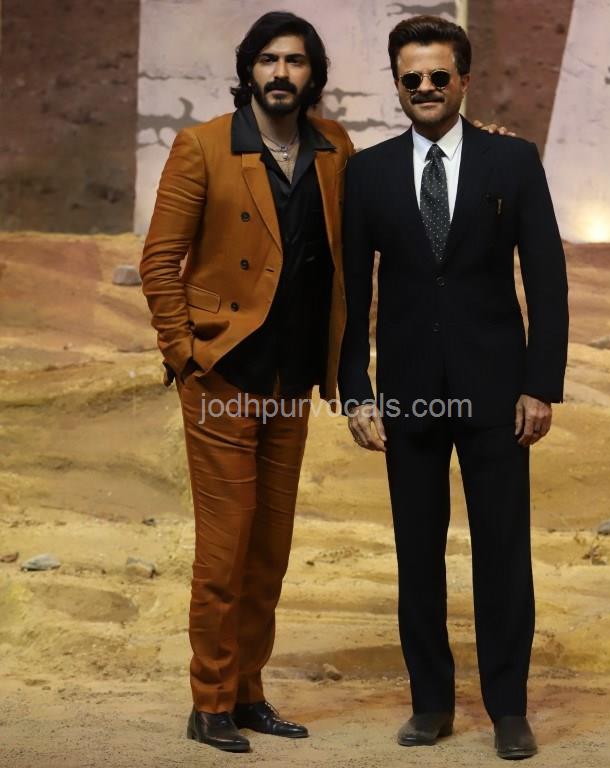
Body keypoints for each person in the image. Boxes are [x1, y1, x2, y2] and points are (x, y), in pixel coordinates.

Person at [338, 15, 569, 760]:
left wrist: (541, 384)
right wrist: (355, 389)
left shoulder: (514, 162)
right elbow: (351, 292)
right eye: (412, 78)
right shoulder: (368, 173)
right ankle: (431, 704)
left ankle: (508, 710)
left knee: (503, 554)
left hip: (498, 392)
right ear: (396, 84)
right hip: (407, 393)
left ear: (464, 79)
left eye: (439, 75)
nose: (426, 87)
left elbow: (547, 280)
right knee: (417, 554)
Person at [140, 11, 353, 753]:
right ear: (249, 71)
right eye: (268, 59)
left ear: (312, 74)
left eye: (294, 60)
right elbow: (159, 261)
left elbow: (353, 250)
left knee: (269, 554)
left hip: (292, 384)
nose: (281, 72)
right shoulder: (202, 146)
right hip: (223, 378)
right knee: (225, 552)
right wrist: (185, 355)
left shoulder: (334, 148)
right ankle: (209, 704)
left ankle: (248, 691)